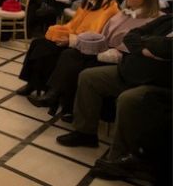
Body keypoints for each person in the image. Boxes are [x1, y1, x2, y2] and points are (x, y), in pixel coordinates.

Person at [55, 14, 171, 183]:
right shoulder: (167, 19)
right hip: (131, 70)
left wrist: (146, 42)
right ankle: (85, 132)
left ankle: (118, 157)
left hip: (159, 82)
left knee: (128, 99)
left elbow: (166, 47)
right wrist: (147, 47)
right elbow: (131, 35)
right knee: (89, 77)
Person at [29, 0, 161, 118]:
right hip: (105, 49)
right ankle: (56, 97)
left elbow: (140, 46)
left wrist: (77, 42)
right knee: (68, 53)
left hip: (125, 59)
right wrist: (77, 42)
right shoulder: (123, 14)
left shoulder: (154, 19)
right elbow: (102, 36)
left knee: (75, 62)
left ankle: (60, 100)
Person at [17, 0, 120, 102]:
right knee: (39, 43)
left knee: (59, 52)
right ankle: (32, 84)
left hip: (89, 45)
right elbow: (73, 25)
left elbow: (94, 33)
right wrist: (60, 33)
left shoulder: (109, 6)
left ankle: (53, 93)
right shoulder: (88, 2)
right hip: (75, 38)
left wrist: (69, 40)